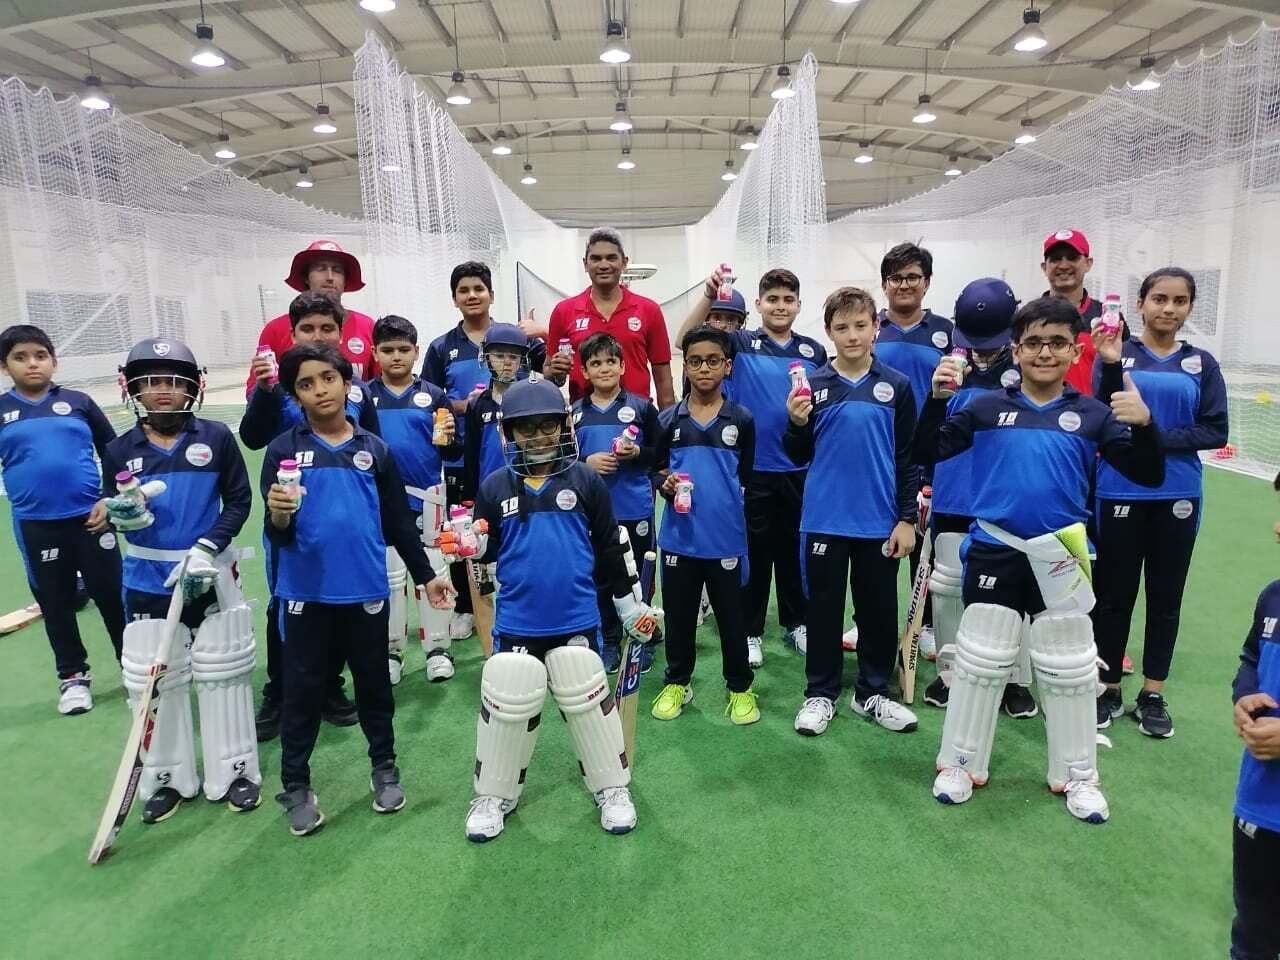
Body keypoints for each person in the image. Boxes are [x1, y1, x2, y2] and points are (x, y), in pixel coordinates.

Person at [914, 296, 1165, 823]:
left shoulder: (1092, 414)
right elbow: (925, 451)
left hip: (1064, 553)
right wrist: (938, 399)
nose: (1044, 352)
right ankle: (960, 763)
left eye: (1056, 343)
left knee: (1070, 667)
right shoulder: (983, 407)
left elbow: (1148, 474)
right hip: (995, 545)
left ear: (1075, 349)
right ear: (1015, 349)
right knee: (980, 658)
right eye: (1033, 343)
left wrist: (1144, 426)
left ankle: (1078, 777)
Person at [263, 344, 454, 837]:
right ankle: (296, 783)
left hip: (365, 590)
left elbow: (397, 523)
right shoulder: (284, 450)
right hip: (305, 593)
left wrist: (425, 574)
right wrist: (279, 515)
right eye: (306, 384)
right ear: (296, 395)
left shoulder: (375, 450)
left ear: (347, 383)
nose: (320, 390)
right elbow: (275, 531)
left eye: (328, 378)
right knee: (302, 691)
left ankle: (384, 768)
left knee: (373, 686)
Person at [461, 375, 658, 842]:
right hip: (518, 621)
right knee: (507, 702)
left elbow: (611, 549)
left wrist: (630, 609)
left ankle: (611, 787)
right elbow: (485, 555)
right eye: (525, 428)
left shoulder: (586, 481)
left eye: (547, 425)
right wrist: (473, 545)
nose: (538, 436)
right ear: (508, 433)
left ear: (564, 426)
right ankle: (493, 794)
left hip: (576, 619)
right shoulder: (494, 487)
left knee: (587, 701)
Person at [101, 337, 259, 823]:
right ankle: (166, 778)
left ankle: (235, 770)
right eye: (151, 382)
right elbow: (118, 511)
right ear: (133, 388)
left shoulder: (215, 438)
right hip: (147, 577)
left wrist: (207, 547)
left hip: (208, 570)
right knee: (159, 678)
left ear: (193, 387)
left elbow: (238, 501)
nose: (163, 391)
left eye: (174, 381)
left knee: (224, 671)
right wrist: (123, 517)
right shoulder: (118, 449)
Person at [1092, 267, 1228, 738]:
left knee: (1165, 598)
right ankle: (1108, 688)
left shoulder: (1201, 364)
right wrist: (1109, 362)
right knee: (1114, 597)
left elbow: (1215, 429)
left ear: (1189, 307)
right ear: (1142, 303)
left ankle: (1153, 692)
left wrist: (1152, 432)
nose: (1168, 309)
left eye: (1179, 300)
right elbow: (1100, 414)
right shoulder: (1118, 355)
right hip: (1119, 489)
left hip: (1178, 493)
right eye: (1159, 299)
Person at [241, 291, 381, 740]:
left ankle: (329, 688)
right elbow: (252, 435)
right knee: (286, 602)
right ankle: (280, 693)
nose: (318, 335)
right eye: (307, 329)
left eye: (327, 328)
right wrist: (265, 393)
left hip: (341, 520)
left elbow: (372, 446)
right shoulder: (281, 385)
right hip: (291, 520)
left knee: (338, 602)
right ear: (292, 334)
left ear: (341, 335)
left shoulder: (354, 388)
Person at [784, 287, 919, 736]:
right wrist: (797, 423)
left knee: (879, 611)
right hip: (824, 518)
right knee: (823, 611)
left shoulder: (896, 386)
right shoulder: (813, 386)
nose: (852, 334)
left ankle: (872, 693)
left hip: (878, 522)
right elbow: (796, 452)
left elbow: (906, 458)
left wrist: (905, 519)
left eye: (861, 325)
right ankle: (820, 694)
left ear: (875, 327)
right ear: (828, 333)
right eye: (841, 327)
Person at [681, 268, 825, 666]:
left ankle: (798, 623)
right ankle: (751, 631)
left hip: (799, 468)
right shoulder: (740, 343)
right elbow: (686, 340)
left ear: (798, 305)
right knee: (756, 553)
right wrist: (709, 296)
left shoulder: (814, 351)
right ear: (758, 305)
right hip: (753, 469)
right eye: (772, 299)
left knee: (794, 551)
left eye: (788, 299)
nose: (780, 306)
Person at [921, 278, 1038, 721]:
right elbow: (925, 439)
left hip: (1007, 500)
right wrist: (936, 398)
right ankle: (951, 672)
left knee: (1012, 590)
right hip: (954, 493)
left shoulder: (1028, 370)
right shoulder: (947, 365)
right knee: (948, 586)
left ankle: (1015, 678)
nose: (983, 352)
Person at [0, 323, 124, 715]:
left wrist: (110, 499)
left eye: (40, 355)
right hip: (36, 524)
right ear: (5, 367)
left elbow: (114, 453)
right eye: (21, 357)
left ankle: (134, 669)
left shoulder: (79, 402)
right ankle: (73, 677)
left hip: (93, 520)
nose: (32, 364)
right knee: (55, 601)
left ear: (55, 361)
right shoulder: (2, 411)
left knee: (112, 596)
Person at [424, 263, 546, 644]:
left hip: (530, 485)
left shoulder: (533, 393)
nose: (506, 362)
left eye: (514, 356)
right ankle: (476, 614)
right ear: (486, 359)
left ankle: (536, 606)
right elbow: (471, 450)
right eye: (499, 356)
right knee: (482, 553)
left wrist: (542, 333)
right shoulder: (476, 401)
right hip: (488, 490)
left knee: (529, 548)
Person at [650, 325, 760, 726]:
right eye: (695, 361)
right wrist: (664, 483)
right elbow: (655, 469)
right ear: (686, 367)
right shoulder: (668, 420)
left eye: (713, 361)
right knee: (679, 619)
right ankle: (678, 681)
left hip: (725, 539)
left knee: (732, 621)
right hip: (680, 539)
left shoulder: (742, 420)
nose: (704, 369)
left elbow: (745, 476)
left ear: (727, 366)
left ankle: (740, 687)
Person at [871, 242, 954, 660]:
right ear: (885, 284)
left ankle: (926, 625)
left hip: (932, 454)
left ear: (926, 283)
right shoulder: (871, 329)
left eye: (912, 277)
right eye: (896, 278)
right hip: (880, 454)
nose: (904, 285)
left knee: (930, 544)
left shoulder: (946, 331)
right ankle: (870, 617)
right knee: (881, 539)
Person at [367, 315, 460, 685]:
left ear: (417, 352)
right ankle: (391, 651)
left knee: (434, 568)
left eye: (404, 349)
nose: (396, 357)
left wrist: (451, 438)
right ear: (375, 352)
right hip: (380, 500)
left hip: (428, 498)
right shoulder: (362, 395)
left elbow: (451, 450)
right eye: (387, 350)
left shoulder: (434, 395)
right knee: (390, 576)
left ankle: (438, 649)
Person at [571, 332, 662, 674]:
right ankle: (609, 637)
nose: (604, 368)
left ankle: (645, 635)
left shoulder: (641, 408)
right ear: (584, 371)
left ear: (623, 366)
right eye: (596, 363)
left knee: (639, 574)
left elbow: (659, 455)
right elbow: (563, 463)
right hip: (591, 514)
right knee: (602, 576)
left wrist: (638, 453)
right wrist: (585, 463)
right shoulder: (574, 414)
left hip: (634, 508)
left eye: (611, 361)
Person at [1230, 486, 1280, 960]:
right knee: (1253, 932)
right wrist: (1245, 697)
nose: (1279, 527)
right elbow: (1251, 659)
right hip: (1260, 803)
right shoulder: (1273, 598)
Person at [545, 228, 675, 409]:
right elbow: (550, 373)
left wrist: (666, 427)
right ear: (585, 264)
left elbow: (663, 379)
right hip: (585, 423)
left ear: (624, 263)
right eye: (596, 258)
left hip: (638, 421)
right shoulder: (563, 311)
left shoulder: (649, 310)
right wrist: (554, 371)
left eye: (611, 258)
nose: (604, 265)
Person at [244, 240, 377, 395]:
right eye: (321, 269)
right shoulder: (275, 329)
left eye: (337, 270)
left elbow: (380, 389)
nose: (330, 277)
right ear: (306, 277)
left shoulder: (367, 326)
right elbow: (256, 392)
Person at [1040, 228, 1129, 397]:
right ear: (1044, 267)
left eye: (1072, 257)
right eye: (1056, 259)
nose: (1064, 265)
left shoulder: (1109, 319)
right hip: (1041, 417)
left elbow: (1120, 370)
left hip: (1094, 418)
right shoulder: (1028, 318)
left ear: (1088, 263)